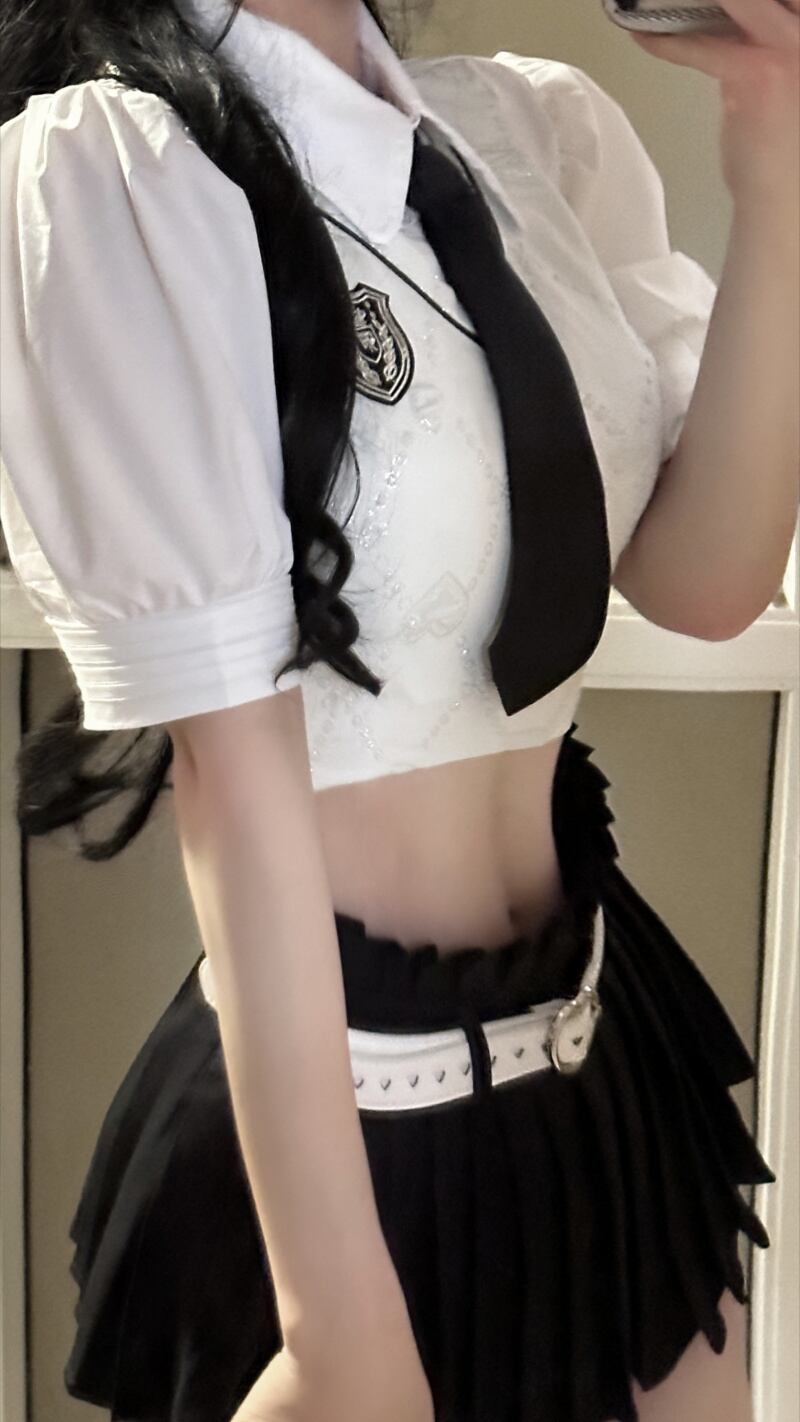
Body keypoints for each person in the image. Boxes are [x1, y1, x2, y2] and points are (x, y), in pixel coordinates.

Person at [1, 0, 796, 1418]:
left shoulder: (530, 134)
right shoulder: (121, 174)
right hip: (341, 1142)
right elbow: (231, 770)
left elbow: (705, 574)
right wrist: (337, 1329)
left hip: (606, 1051)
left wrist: (776, 136)